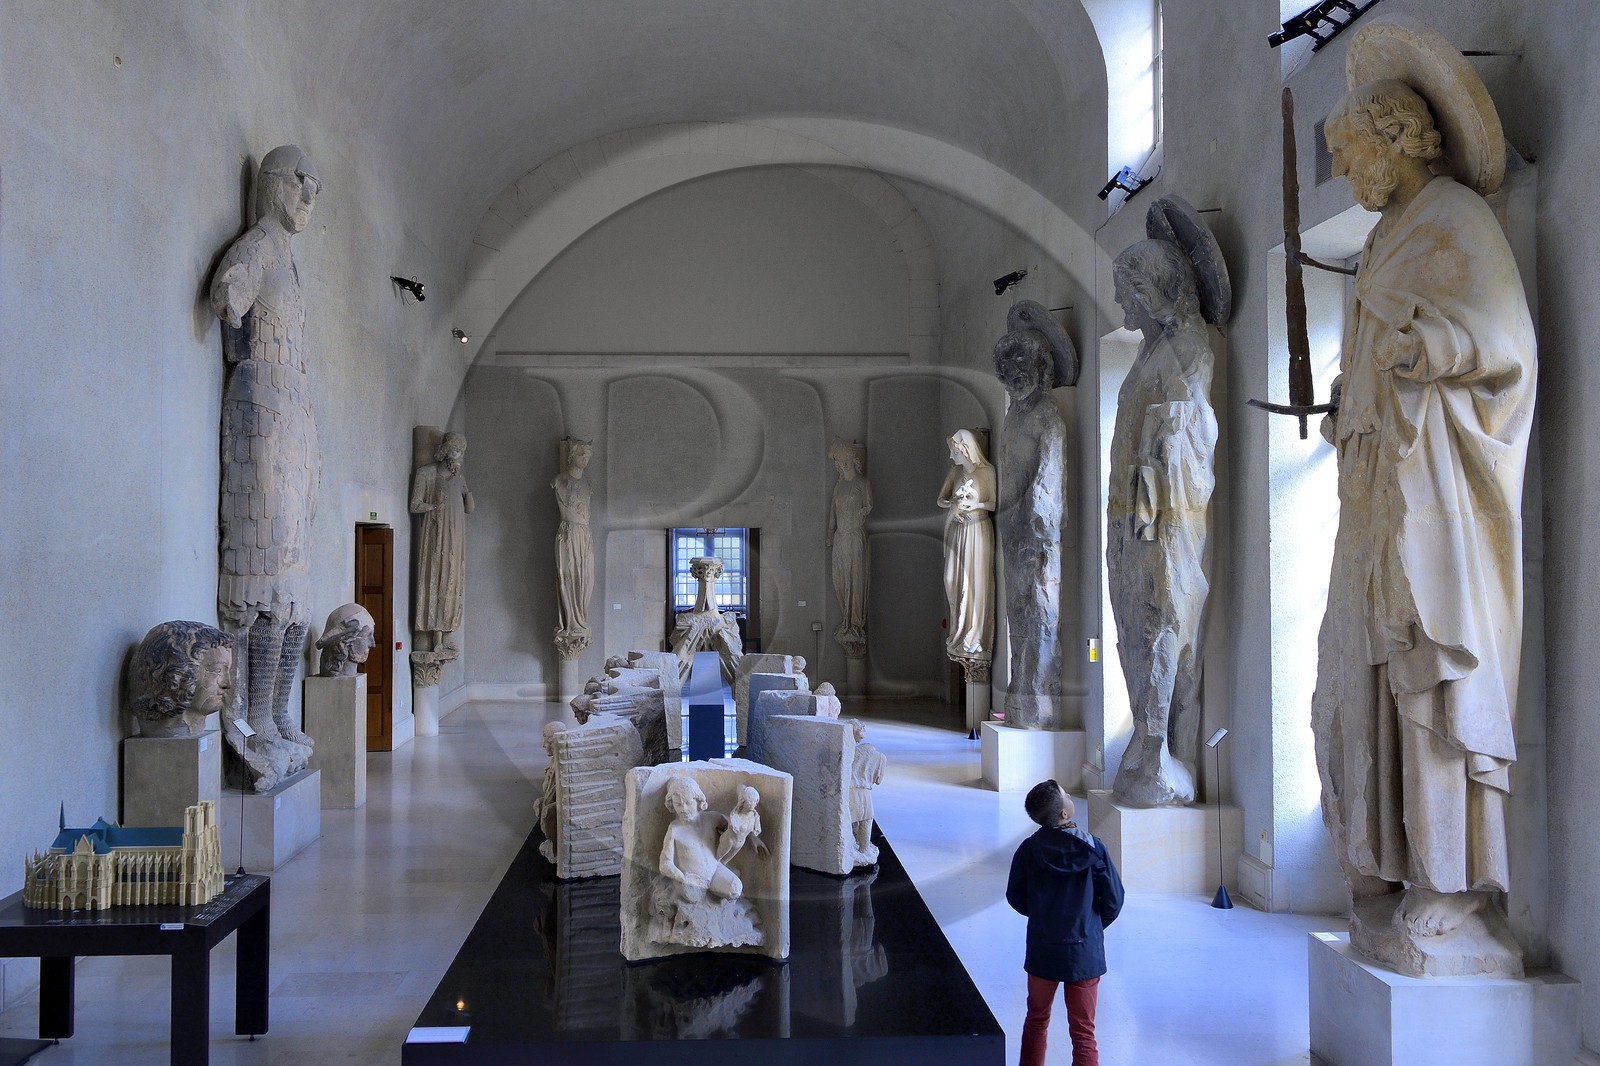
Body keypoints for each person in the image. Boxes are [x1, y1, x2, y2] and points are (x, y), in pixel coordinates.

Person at [1312, 77, 1535, 972]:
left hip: (1435, 500)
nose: (1339, 167)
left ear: (1401, 136)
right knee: (1364, 682)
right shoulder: (1377, 243)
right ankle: (1392, 869)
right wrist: (1346, 404)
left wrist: (1435, 349)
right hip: (1376, 494)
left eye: (1349, 150)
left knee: (1429, 680)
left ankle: (1453, 884)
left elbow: (1505, 340)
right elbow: (1371, 361)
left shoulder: (1456, 221)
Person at [209, 144, 322, 789]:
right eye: (303, 186)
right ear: (275, 186)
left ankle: (277, 717)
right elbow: (229, 299)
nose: (308, 201)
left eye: (316, 191)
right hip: (262, 415)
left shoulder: (290, 261)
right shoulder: (257, 246)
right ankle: (247, 722)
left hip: (293, 415)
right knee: (259, 570)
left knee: (291, 582)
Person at [1106, 238, 1217, 807]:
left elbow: (1190, 427)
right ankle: (1145, 738)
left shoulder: (1192, 346)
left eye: (1129, 294)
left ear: (1154, 291)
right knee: (1131, 624)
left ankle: (1158, 747)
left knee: (1161, 621)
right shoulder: (1149, 352)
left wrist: (1163, 434)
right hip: (1130, 514)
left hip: (1163, 515)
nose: (1123, 307)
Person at [1006, 780, 1123, 1066]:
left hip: (1043, 946)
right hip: (1083, 949)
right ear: (1064, 814)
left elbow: (1015, 896)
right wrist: (1091, 925)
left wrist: (1044, 916)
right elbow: (1113, 900)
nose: (1070, 796)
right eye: (1067, 795)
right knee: (1084, 1032)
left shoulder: (1029, 849)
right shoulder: (1094, 849)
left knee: (1036, 1021)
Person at [937, 429, 996, 677]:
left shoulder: (987, 472)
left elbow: (992, 503)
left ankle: (973, 636)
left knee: (974, 584)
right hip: (958, 531)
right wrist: (954, 504)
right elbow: (941, 499)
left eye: (955, 451)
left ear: (966, 449)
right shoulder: (955, 473)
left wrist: (975, 505)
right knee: (951, 579)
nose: (952, 456)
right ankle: (959, 633)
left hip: (978, 530)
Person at [410, 432, 474, 654]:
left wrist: (467, 491)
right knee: (437, 579)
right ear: (445, 451)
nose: (459, 457)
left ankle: (446, 634)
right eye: (456, 451)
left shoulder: (459, 479)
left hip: (455, 540)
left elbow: (470, 508)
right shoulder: (426, 474)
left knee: (452, 581)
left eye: (462, 453)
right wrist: (434, 508)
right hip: (436, 537)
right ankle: (434, 637)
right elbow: (415, 505)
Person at [826, 439, 872, 659]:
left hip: (855, 537)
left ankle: (855, 624)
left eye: (845, 460)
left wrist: (862, 513)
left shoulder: (862, 483)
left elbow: (869, 505)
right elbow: (832, 513)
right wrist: (830, 534)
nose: (842, 465)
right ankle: (846, 621)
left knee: (856, 581)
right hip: (840, 538)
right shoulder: (839, 486)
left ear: (854, 460)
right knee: (840, 581)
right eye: (838, 461)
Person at [552, 439, 594, 658]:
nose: (585, 459)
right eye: (581, 454)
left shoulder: (587, 484)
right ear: (571, 455)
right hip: (568, 535)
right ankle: (570, 622)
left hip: (584, 537)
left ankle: (580, 620)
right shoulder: (560, 481)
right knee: (568, 579)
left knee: (585, 581)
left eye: (588, 455)